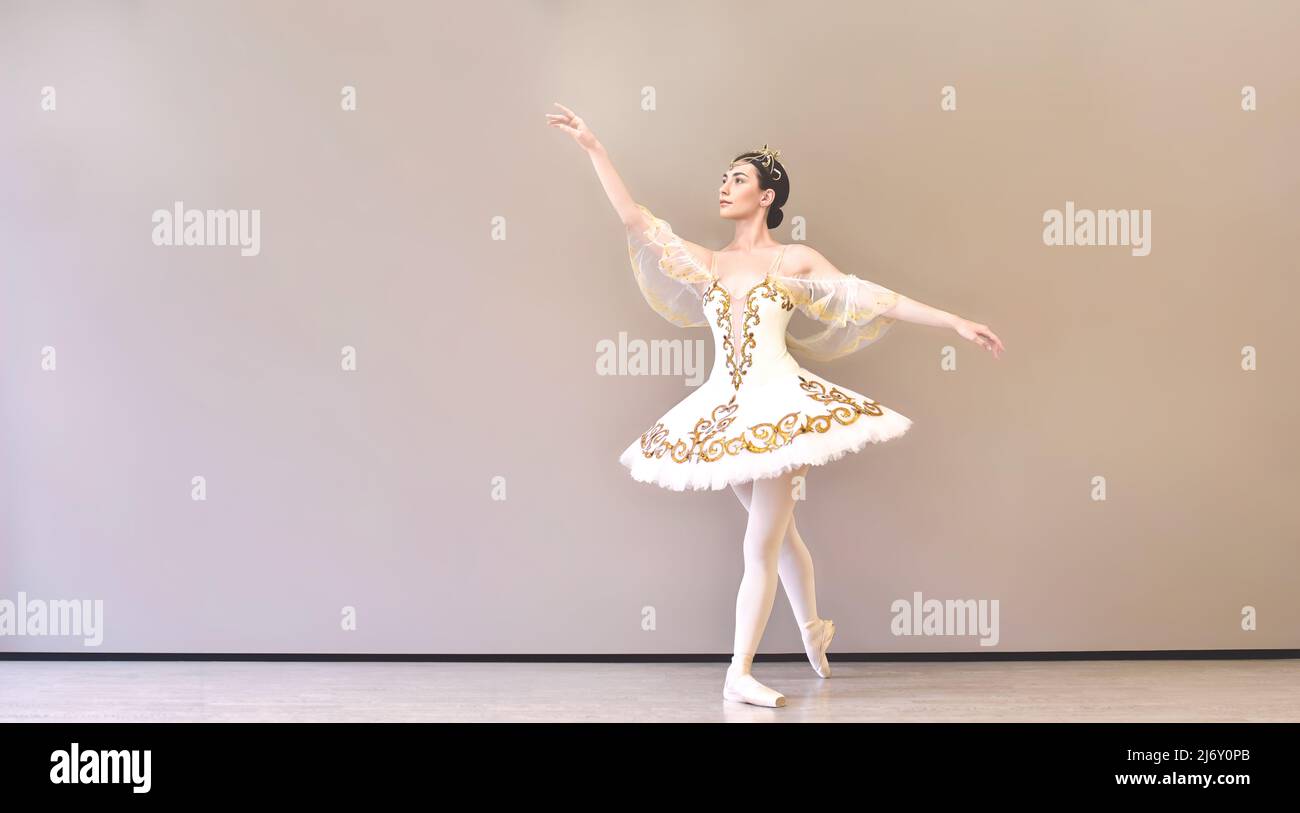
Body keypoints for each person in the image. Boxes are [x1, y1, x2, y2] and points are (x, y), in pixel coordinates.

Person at [547, 102, 1005, 707]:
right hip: (724, 411)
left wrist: (953, 321)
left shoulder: (795, 260)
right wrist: (593, 146)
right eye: (725, 177)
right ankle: (814, 630)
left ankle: (738, 671)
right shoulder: (707, 263)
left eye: (738, 178)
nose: (725, 185)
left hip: (780, 408)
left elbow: (872, 298)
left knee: (760, 541)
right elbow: (635, 220)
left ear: (767, 196)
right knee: (780, 534)